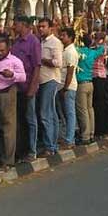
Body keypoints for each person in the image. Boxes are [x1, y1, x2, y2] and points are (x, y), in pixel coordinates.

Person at [0, 34, 26, 172]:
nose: (0, 53)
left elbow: (23, 77)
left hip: (8, 92)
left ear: (8, 48)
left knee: (7, 127)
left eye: (2, 50)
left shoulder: (15, 61)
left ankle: (9, 160)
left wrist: (12, 75)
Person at [11, 16, 41, 162]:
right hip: (16, 88)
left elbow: (36, 66)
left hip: (28, 86)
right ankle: (21, 150)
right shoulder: (15, 43)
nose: (13, 26)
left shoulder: (33, 42)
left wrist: (32, 88)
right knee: (20, 120)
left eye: (15, 24)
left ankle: (32, 150)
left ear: (23, 25)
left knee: (30, 119)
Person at [37, 18, 63, 157]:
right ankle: (52, 144)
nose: (41, 29)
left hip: (50, 79)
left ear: (50, 28)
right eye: (39, 26)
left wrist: (42, 60)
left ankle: (50, 146)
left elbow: (58, 62)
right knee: (51, 113)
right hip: (42, 80)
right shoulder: (40, 42)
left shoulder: (55, 43)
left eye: (43, 26)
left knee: (45, 113)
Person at [75, 34, 104, 145]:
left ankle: (85, 136)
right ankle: (91, 133)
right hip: (90, 83)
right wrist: (96, 43)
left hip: (81, 84)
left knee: (83, 111)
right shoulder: (93, 53)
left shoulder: (79, 51)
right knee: (90, 109)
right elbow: (101, 49)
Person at [57, 27, 78, 150]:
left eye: (64, 35)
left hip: (68, 87)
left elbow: (70, 72)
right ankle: (65, 137)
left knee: (70, 113)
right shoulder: (65, 50)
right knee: (64, 113)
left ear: (70, 37)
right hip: (63, 86)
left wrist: (65, 87)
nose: (61, 37)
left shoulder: (71, 52)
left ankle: (70, 139)